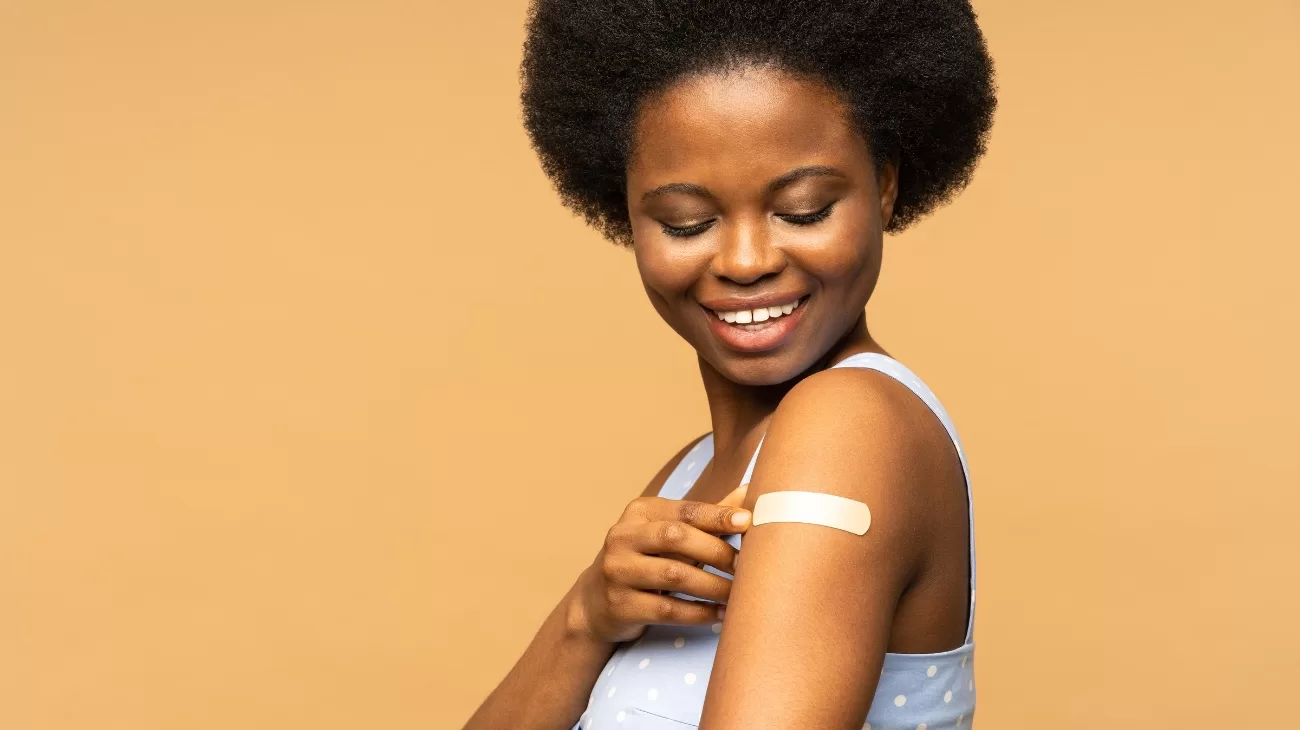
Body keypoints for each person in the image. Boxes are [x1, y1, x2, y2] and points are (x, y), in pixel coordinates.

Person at [465, 1, 996, 727]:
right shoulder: (693, 471)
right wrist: (585, 619)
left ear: (887, 184)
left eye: (804, 210)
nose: (746, 261)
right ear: (623, 212)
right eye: (688, 222)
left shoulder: (848, 426)